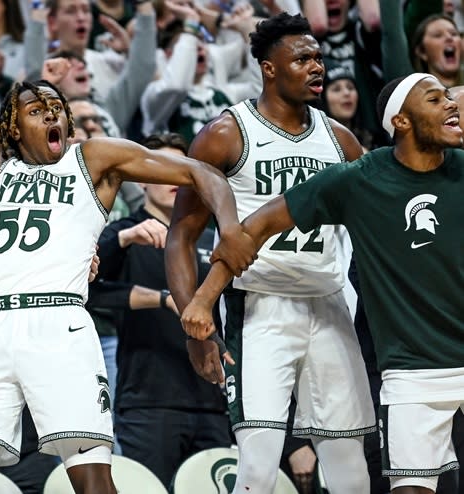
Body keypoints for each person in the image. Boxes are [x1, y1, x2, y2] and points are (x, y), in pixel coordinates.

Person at [0, 78, 251, 494]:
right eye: (35, 111)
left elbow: (199, 171)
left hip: (58, 321)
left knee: (91, 476)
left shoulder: (93, 158)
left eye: (56, 106)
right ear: (14, 127)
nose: (50, 113)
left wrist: (230, 226)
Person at [181, 72, 464, 494]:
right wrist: (203, 299)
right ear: (401, 122)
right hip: (411, 369)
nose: (450, 104)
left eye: (450, 96)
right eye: (435, 98)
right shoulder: (359, 180)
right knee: (407, 487)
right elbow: (254, 229)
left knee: (353, 470)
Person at [165, 12, 375, 494]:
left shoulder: (340, 140)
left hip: (329, 306)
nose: (316, 66)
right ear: (268, 67)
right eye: (302, 58)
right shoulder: (226, 132)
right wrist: (194, 328)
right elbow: (181, 235)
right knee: (258, 467)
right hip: (258, 306)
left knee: (351, 471)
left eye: (318, 57)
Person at [88, 132, 232, 489]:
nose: (172, 180)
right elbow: (82, 291)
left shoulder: (212, 237)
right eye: (163, 169)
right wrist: (123, 242)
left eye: (180, 170)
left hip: (212, 400)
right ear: (141, 178)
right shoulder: (125, 232)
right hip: (148, 402)